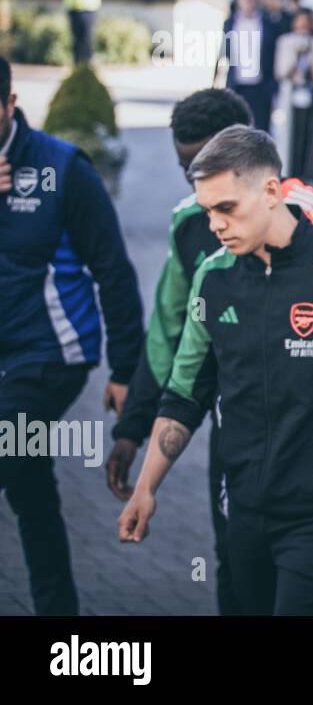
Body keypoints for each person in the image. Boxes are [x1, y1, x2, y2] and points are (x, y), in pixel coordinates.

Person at [117, 125, 313, 615]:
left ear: (269, 191)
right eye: (207, 211)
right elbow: (184, 395)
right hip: (240, 509)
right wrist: (145, 489)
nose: (216, 224)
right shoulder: (213, 277)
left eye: (227, 208)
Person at [105, 89, 313, 615]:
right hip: (233, 424)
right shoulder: (187, 223)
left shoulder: (310, 213)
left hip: (308, 437)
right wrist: (132, 428)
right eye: (186, 168)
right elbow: (169, 334)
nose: (197, 181)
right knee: (236, 567)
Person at [0, 55, 145, 615]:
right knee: (29, 485)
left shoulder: (62, 170)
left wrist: (126, 368)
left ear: (11, 105)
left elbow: (113, 268)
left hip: (50, 355)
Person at [274, 8, 313, 182]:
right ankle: (292, 173)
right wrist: (297, 57)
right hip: (293, 96)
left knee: (312, 136)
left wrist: (311, 55)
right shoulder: (286, 41)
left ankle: (310, 172)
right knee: (293, 136)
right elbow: (281, 72)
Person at [220, 0, 284, 133]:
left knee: (260, 131)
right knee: (235, 130)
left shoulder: (270, 24)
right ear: (239, 1)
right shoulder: (229, 23)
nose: (250, 2)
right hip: (236, 85)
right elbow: (224, 52)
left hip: (261, 86)